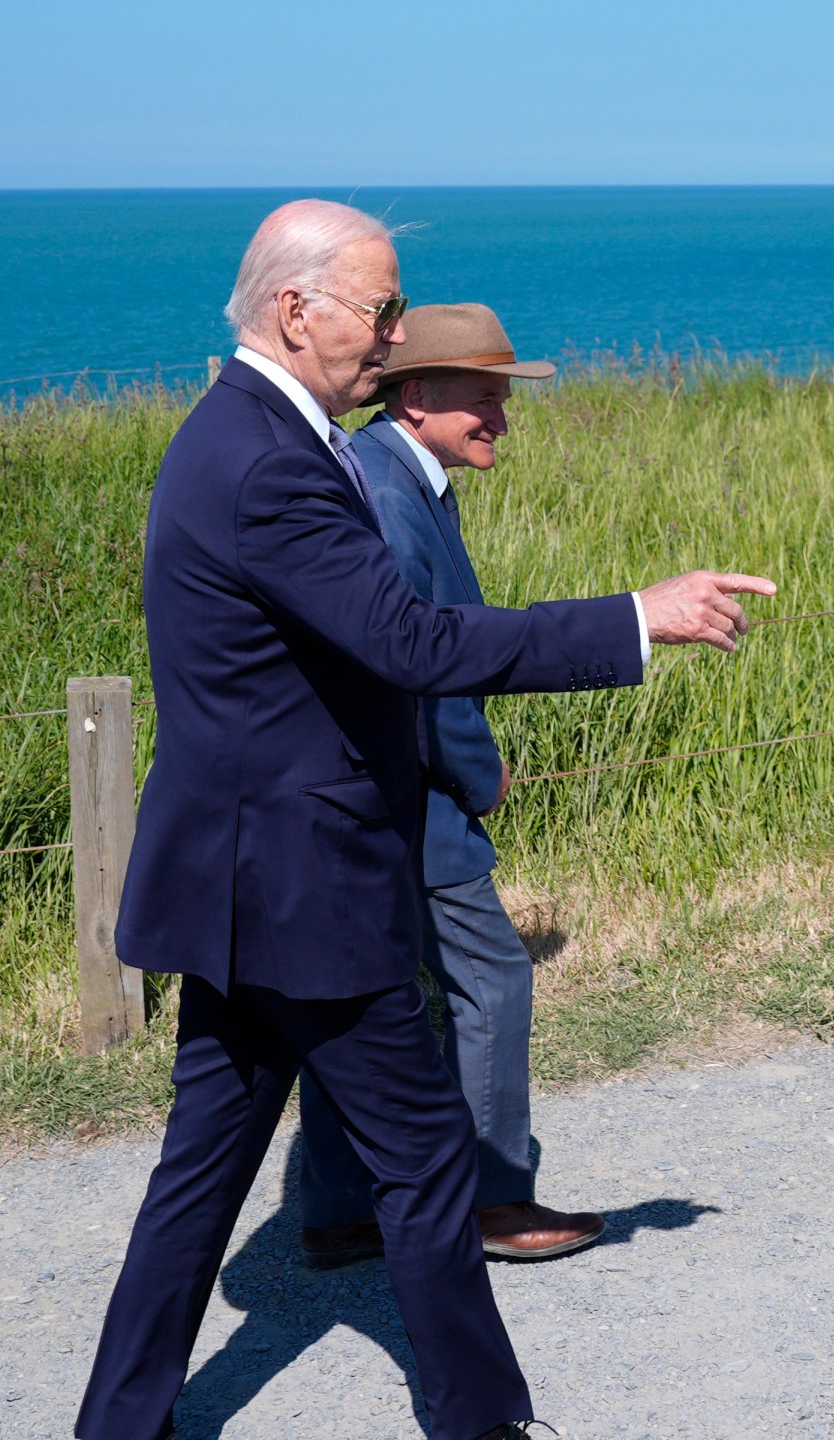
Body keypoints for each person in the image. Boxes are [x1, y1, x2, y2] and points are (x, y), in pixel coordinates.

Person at [74, 198, 775, 1440]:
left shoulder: (235, 433)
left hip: (243, 885)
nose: (392, 335)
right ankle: (481, 1420)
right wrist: (634, 616)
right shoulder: (269, 462)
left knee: (199, 1179)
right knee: (425, 1165)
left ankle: (120, 1422)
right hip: (305, 887)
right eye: (381, 307)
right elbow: (409, 641)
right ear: (299, 311)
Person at [296, 303, 602, 1267]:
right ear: (418, 396)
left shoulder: (396, 472)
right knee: (492, 977)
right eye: (485, 399)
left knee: (365, 996)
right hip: (411, 793)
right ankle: (493, 1203)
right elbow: (422, 670)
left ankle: (342, 1211)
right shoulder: (392, 499)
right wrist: (476, 775)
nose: (502, 420)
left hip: (373, 788)